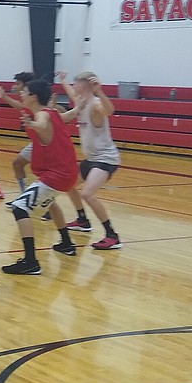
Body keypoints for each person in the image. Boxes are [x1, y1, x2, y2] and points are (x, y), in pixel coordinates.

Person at [1, 80, 80, 275]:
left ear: (33, 96)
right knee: (50, 203)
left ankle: (30, 261)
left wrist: (33, 124)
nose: (21, 94)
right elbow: (67, 115)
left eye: (24, 92)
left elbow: (42, 122)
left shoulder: (43, 115)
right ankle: (67, 243)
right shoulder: (52, 112)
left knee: (19, 208)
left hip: (56, 175)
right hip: (64, 174)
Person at [58, 72, 123, 250]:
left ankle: (112, 236)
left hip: (105, 159)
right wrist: (62, 80)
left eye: (74, 84)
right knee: (68, 184)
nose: (72, 87)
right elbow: (71, 94)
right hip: (91, 158)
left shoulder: (95, 104)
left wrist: (100, 91)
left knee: (87, 194)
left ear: (83, 85)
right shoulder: (81, 102)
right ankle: (82, 220)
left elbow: (109, 111)